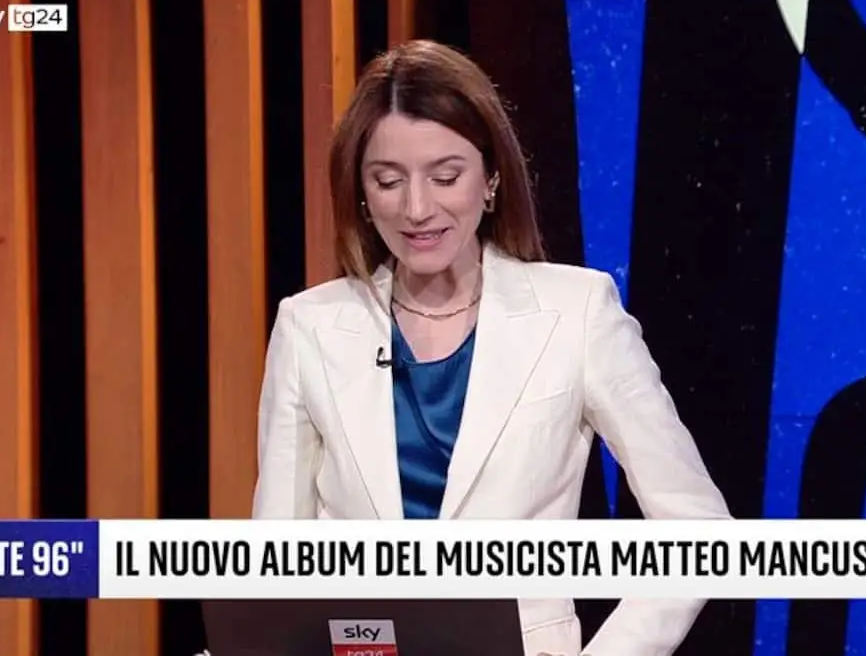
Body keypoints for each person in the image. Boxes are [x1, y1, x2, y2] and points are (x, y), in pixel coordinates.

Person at [252, 39, 731, 656]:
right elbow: (276, 566)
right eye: (389, 181)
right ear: (362, 195)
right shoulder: (309, 327)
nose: (417, 208)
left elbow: (698, 531)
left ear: (491, 178)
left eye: (445, 177)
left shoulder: (578, 313)